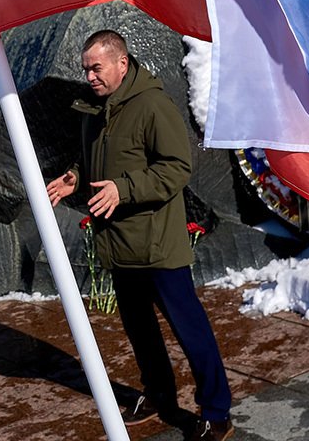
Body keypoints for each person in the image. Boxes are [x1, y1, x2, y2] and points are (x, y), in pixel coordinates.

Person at [47, 30, 233, 441]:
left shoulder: (152, 104)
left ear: (121, 63)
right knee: (139, 329)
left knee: (190, 329)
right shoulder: (95, 107)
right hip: (118, 243)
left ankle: (217, 411)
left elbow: (177, 167)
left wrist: (123, 189)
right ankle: (159, 395)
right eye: (86, 69)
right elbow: (98, 158)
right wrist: (75, 177)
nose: (90, 76)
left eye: (97, 68)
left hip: (156, 244)